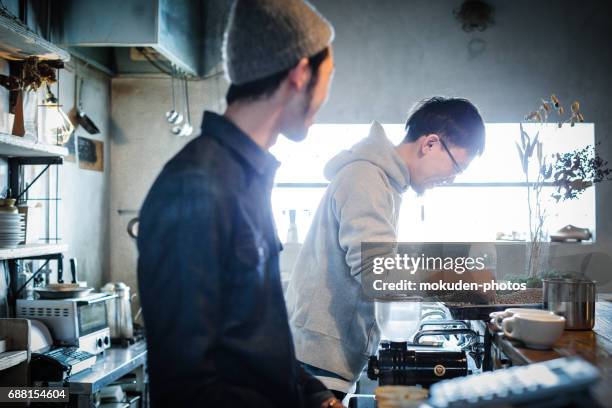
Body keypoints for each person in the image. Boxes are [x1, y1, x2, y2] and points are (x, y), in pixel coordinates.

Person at [137, 1, 340, 407]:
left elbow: (253, 342)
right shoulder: (197, 186)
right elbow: (186, 383)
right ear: (300, 74)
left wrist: (314, 396)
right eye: (328, 79)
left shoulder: (245, 178)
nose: (326, 97)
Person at [285, 97, 486, 398]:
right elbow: (377, 275)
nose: (451, 179)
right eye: (456, 166)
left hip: (326, 355)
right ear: (430, 144)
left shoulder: (386, 183)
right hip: (318, 359)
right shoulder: (366, 179)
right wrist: (454, 277)